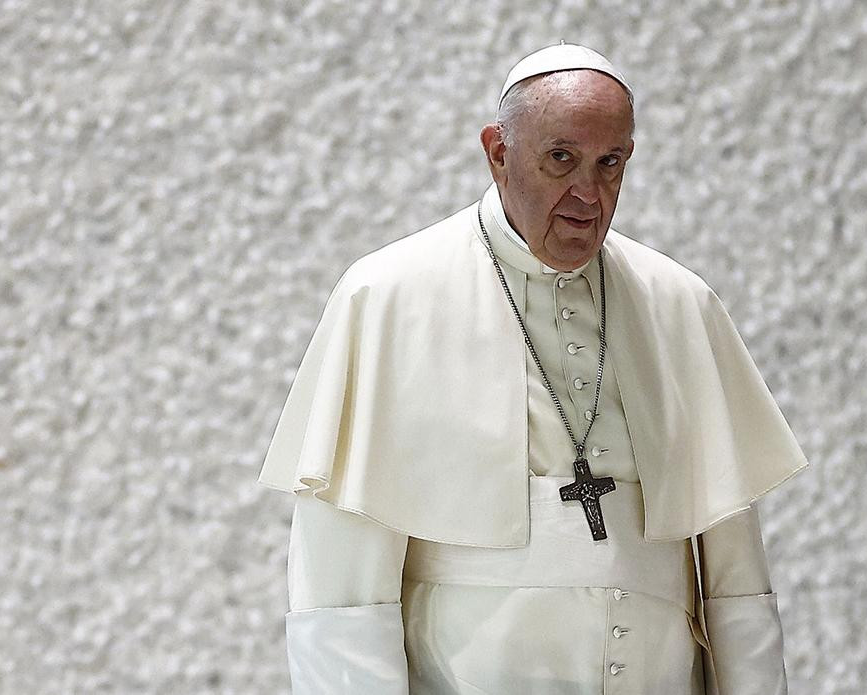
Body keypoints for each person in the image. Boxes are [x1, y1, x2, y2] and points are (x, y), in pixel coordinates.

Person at [258, 42, 810, 695]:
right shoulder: (388, 298)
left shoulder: (680, 303)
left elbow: (737, 583)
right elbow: (339, 597)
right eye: (561, 160)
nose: (588, 194)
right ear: (498, 152)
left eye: (611, 164)